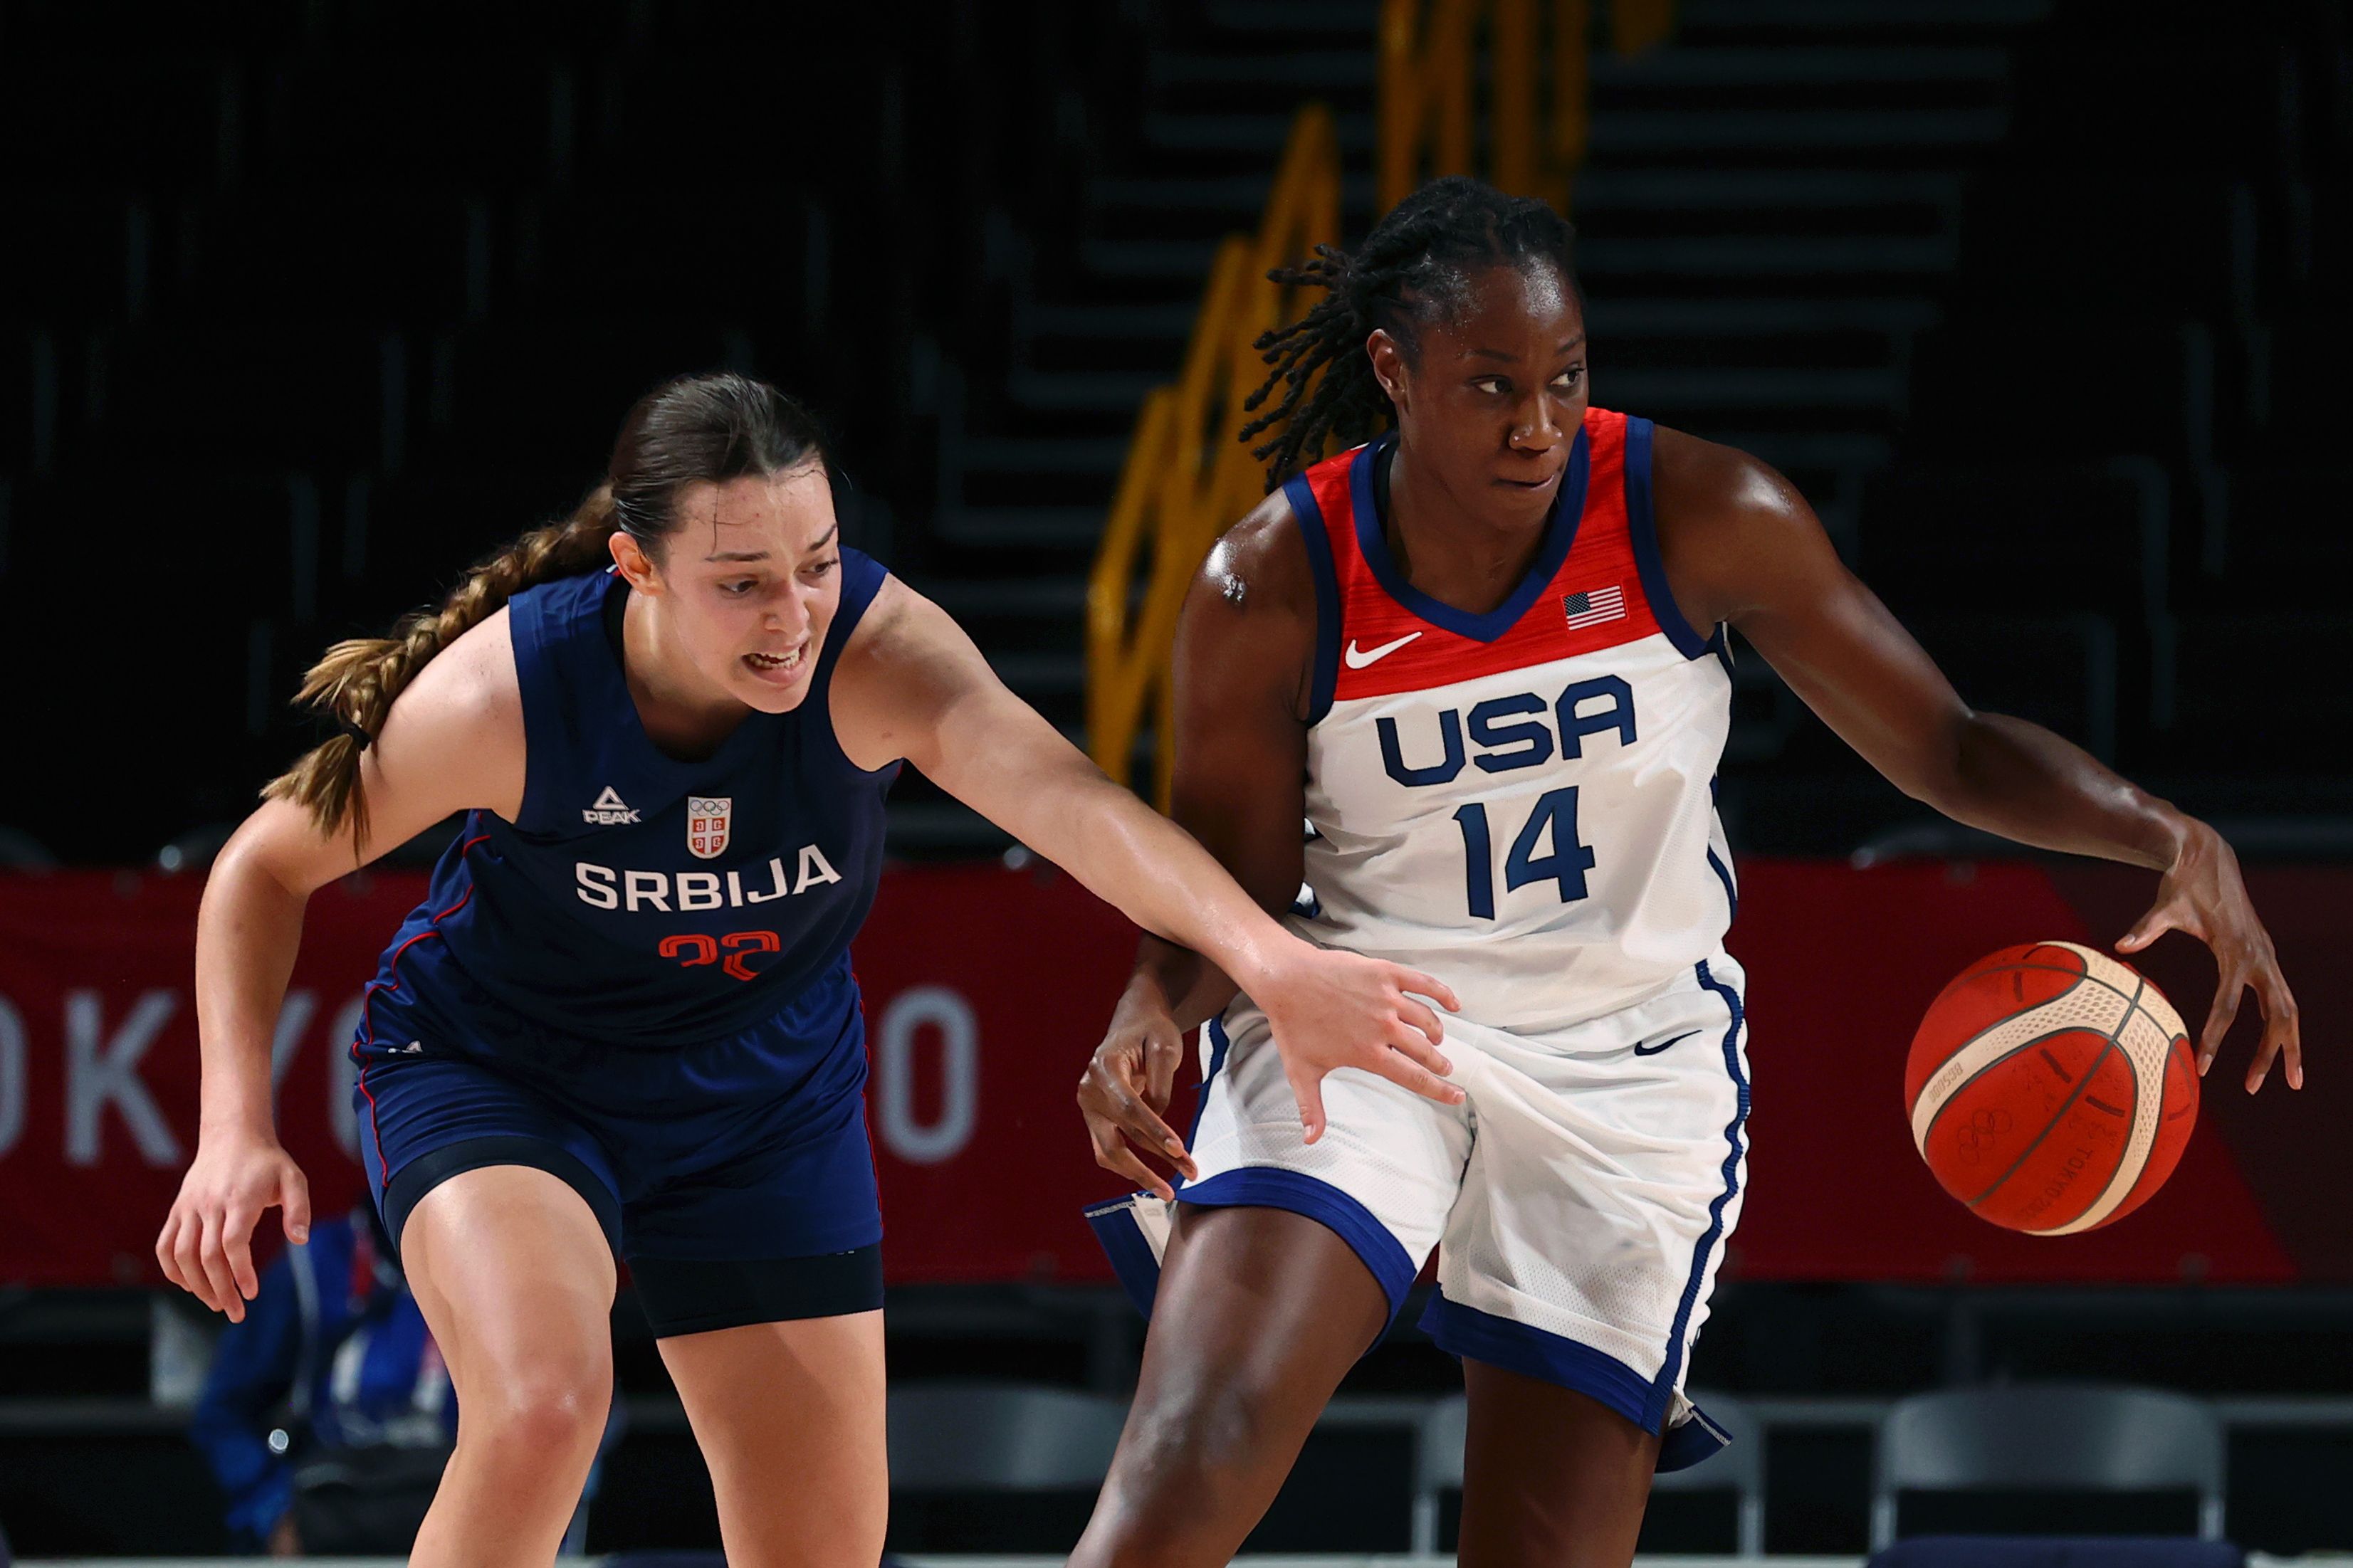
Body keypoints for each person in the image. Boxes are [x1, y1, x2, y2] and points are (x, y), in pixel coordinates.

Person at [1072, 177, 2302, 1568]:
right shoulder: (1273, 581)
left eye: (1564, 377)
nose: (1538, 423)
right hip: (1367, 1022)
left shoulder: (1697, 510)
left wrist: (2166, 833)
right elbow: (1230, 879)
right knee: (1197, 1449)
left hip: (1624, 1059)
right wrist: (1150, 1003)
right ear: (1392, 371)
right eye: (1491, 386)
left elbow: (1946, 746)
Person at [156, 372, 1464, 1568]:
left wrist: (1273, 963)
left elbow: (1076, 808)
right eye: (742, 583)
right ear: (638, 566)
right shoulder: (508, 696)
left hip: (761, 1098)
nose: (792, 618)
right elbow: (261, 867)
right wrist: (232, 1129)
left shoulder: (878, 657)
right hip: (507, 1074)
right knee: (545, 1407)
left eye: (818, 563)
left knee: (825, 1547)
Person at [189, 1202, 464, 1556]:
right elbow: (223, 1413)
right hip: (328, 1513)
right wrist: (273, 1512)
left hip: (460, 1510)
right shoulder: (313, 1262)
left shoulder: (496, 1264)